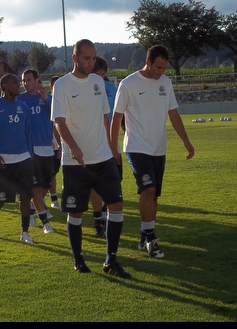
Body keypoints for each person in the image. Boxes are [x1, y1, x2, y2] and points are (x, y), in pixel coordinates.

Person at [51, 39, 130, 277]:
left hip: (103, 157)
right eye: (86, 58)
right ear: (75, 58)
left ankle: (111, 261)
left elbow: (105, 118)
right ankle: (78, 259)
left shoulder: (98, 82)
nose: (91, 62)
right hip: (76, 163)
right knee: (75, 212)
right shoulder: (62, 85)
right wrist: (73, 147)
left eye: (94, 58)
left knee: (116, 206)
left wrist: (112, 147)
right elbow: (59, 121)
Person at [110, 45, 195, 258]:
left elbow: (173, 114)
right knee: (147, 189)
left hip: (159, 148)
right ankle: (150, 238)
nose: (161, 72)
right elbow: (116, 117)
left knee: (154, 194)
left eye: (164, 68)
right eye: (158, 67)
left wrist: (186, 141)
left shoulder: (165, 83)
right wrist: (113, 148)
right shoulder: (127, 84)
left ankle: (144, 233)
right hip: (136, 147)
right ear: (148, 62)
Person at [0, 73, 35, 244]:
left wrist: (30, 155)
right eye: (14, 83)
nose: (18, 85)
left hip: (23, 158)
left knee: (26, 197)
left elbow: (28, 133)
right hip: (3, 160)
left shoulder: (24, 107)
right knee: (2, 198)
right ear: (5, 87)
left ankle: (25, 232)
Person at [18, 70, 55, 234]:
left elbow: (56, 118)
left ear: (37, 80)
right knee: (36, 187)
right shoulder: (20, 100)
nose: (26, 83)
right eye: (24, 80)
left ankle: (33, 208)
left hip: (48, 148)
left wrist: (46, 99)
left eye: (29, 80)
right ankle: (45, 222)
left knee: (46, 185)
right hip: (30, 150)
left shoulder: (47, 99)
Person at [89, 56, 121, 239]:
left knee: (112, 183)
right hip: (92, 143)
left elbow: (119, 114)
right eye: (96, 73)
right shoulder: (84, 90)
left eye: (102, 74)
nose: (100, 77)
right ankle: (98, 222)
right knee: (94, 185)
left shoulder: (112, 90)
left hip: (111, 142)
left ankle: (110, 218)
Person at [47, 76, 62, 209]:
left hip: (64, 144)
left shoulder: (64, 100)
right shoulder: (47, 101)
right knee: (50, 173)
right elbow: (53, 125)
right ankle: (53, 199)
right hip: (52, 145)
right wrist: (58, 144)